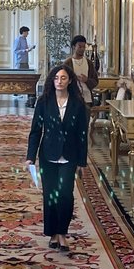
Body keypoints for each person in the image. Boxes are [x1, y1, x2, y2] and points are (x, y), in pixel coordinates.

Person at [25, 64, 89, 252]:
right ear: (52, 81)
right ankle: (52, 233)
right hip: (48, 154)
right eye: (56, 78)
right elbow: (35, 131)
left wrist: (82, 161)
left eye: (63, 78)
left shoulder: (78, 105)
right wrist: (30, 157)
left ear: (69, 80)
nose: (59, 82)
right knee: (50, 196)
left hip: (69, 156)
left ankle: (62, 233)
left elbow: (82, 134)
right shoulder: (43, 102)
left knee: (65, 196)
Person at [64, 35, 99, 105]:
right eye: (80, 46)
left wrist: (86, 80)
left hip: (87, 99)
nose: (82, 49)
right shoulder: (68, 63)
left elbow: (95, 81)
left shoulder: (89, 63)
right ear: (74, 47)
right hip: (72, 99)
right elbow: (63, 80)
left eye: (84, 47)